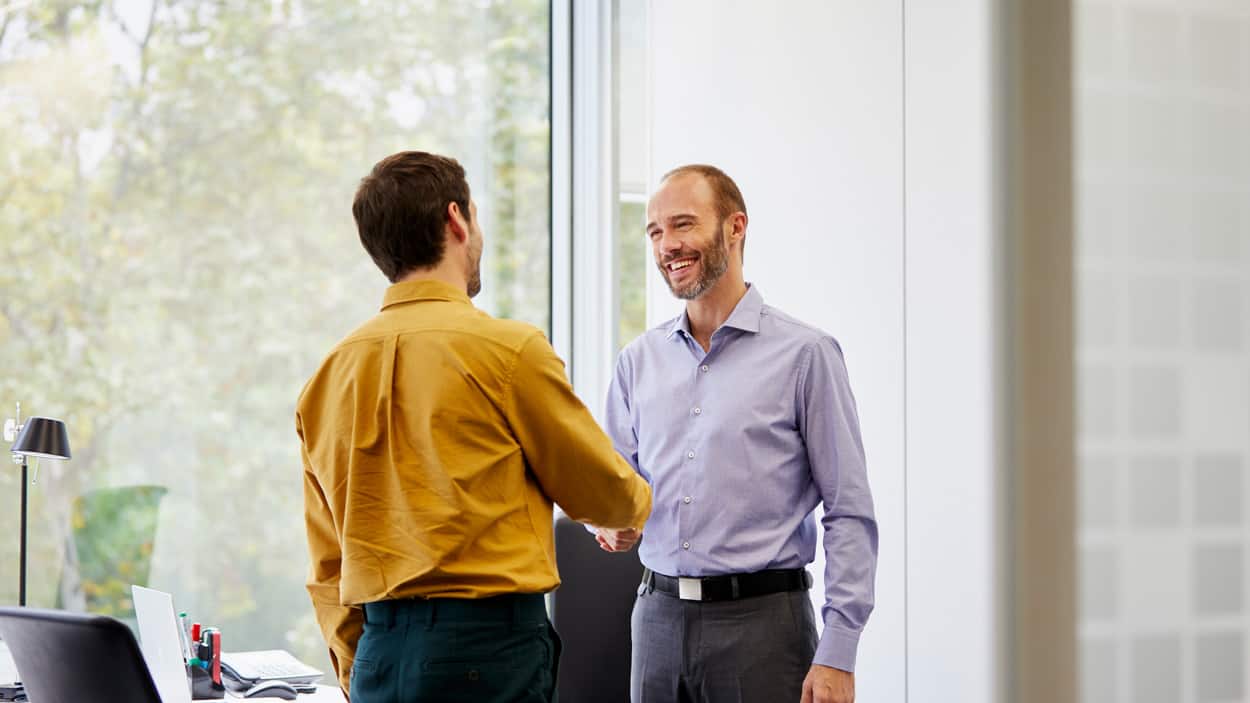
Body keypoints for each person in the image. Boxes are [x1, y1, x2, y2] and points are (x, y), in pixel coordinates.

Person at [297, 151, 653, 703]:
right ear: (457, 220)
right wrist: (632, 509)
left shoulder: (325, 379)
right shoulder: (509, 352)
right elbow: (603, 492)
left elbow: (327, 563)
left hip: (380, 655)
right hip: (489, 652)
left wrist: (361, 665)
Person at [596, 165, 877, 703]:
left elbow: (849, 509)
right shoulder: (637, 362)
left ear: (734, 227)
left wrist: (839, 649)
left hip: (764, 628)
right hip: (656, 620)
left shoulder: (806, 355)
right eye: (655, 232)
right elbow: (613, 486)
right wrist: (609, 523)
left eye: (683, 225)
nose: (667, 245)